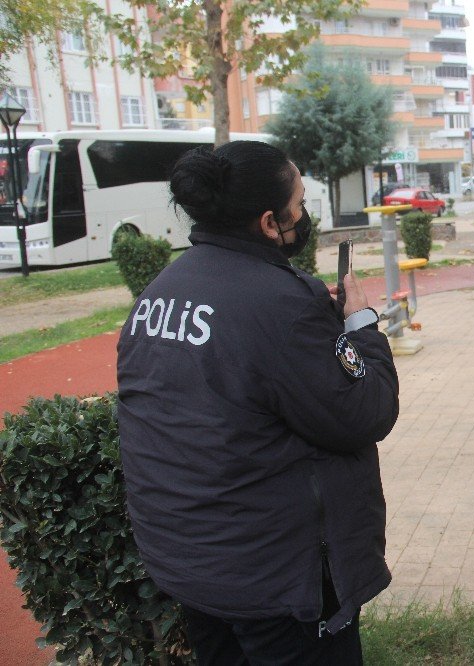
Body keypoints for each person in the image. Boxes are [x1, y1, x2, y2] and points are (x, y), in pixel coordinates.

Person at [117, 141, 400, 665]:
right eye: (299, 203)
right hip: (278, 584)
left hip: (194, 568)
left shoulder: (156, 296)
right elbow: (366, 412)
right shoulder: (284, 304)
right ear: (270, 223)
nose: (304, 215)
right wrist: (360, 324)